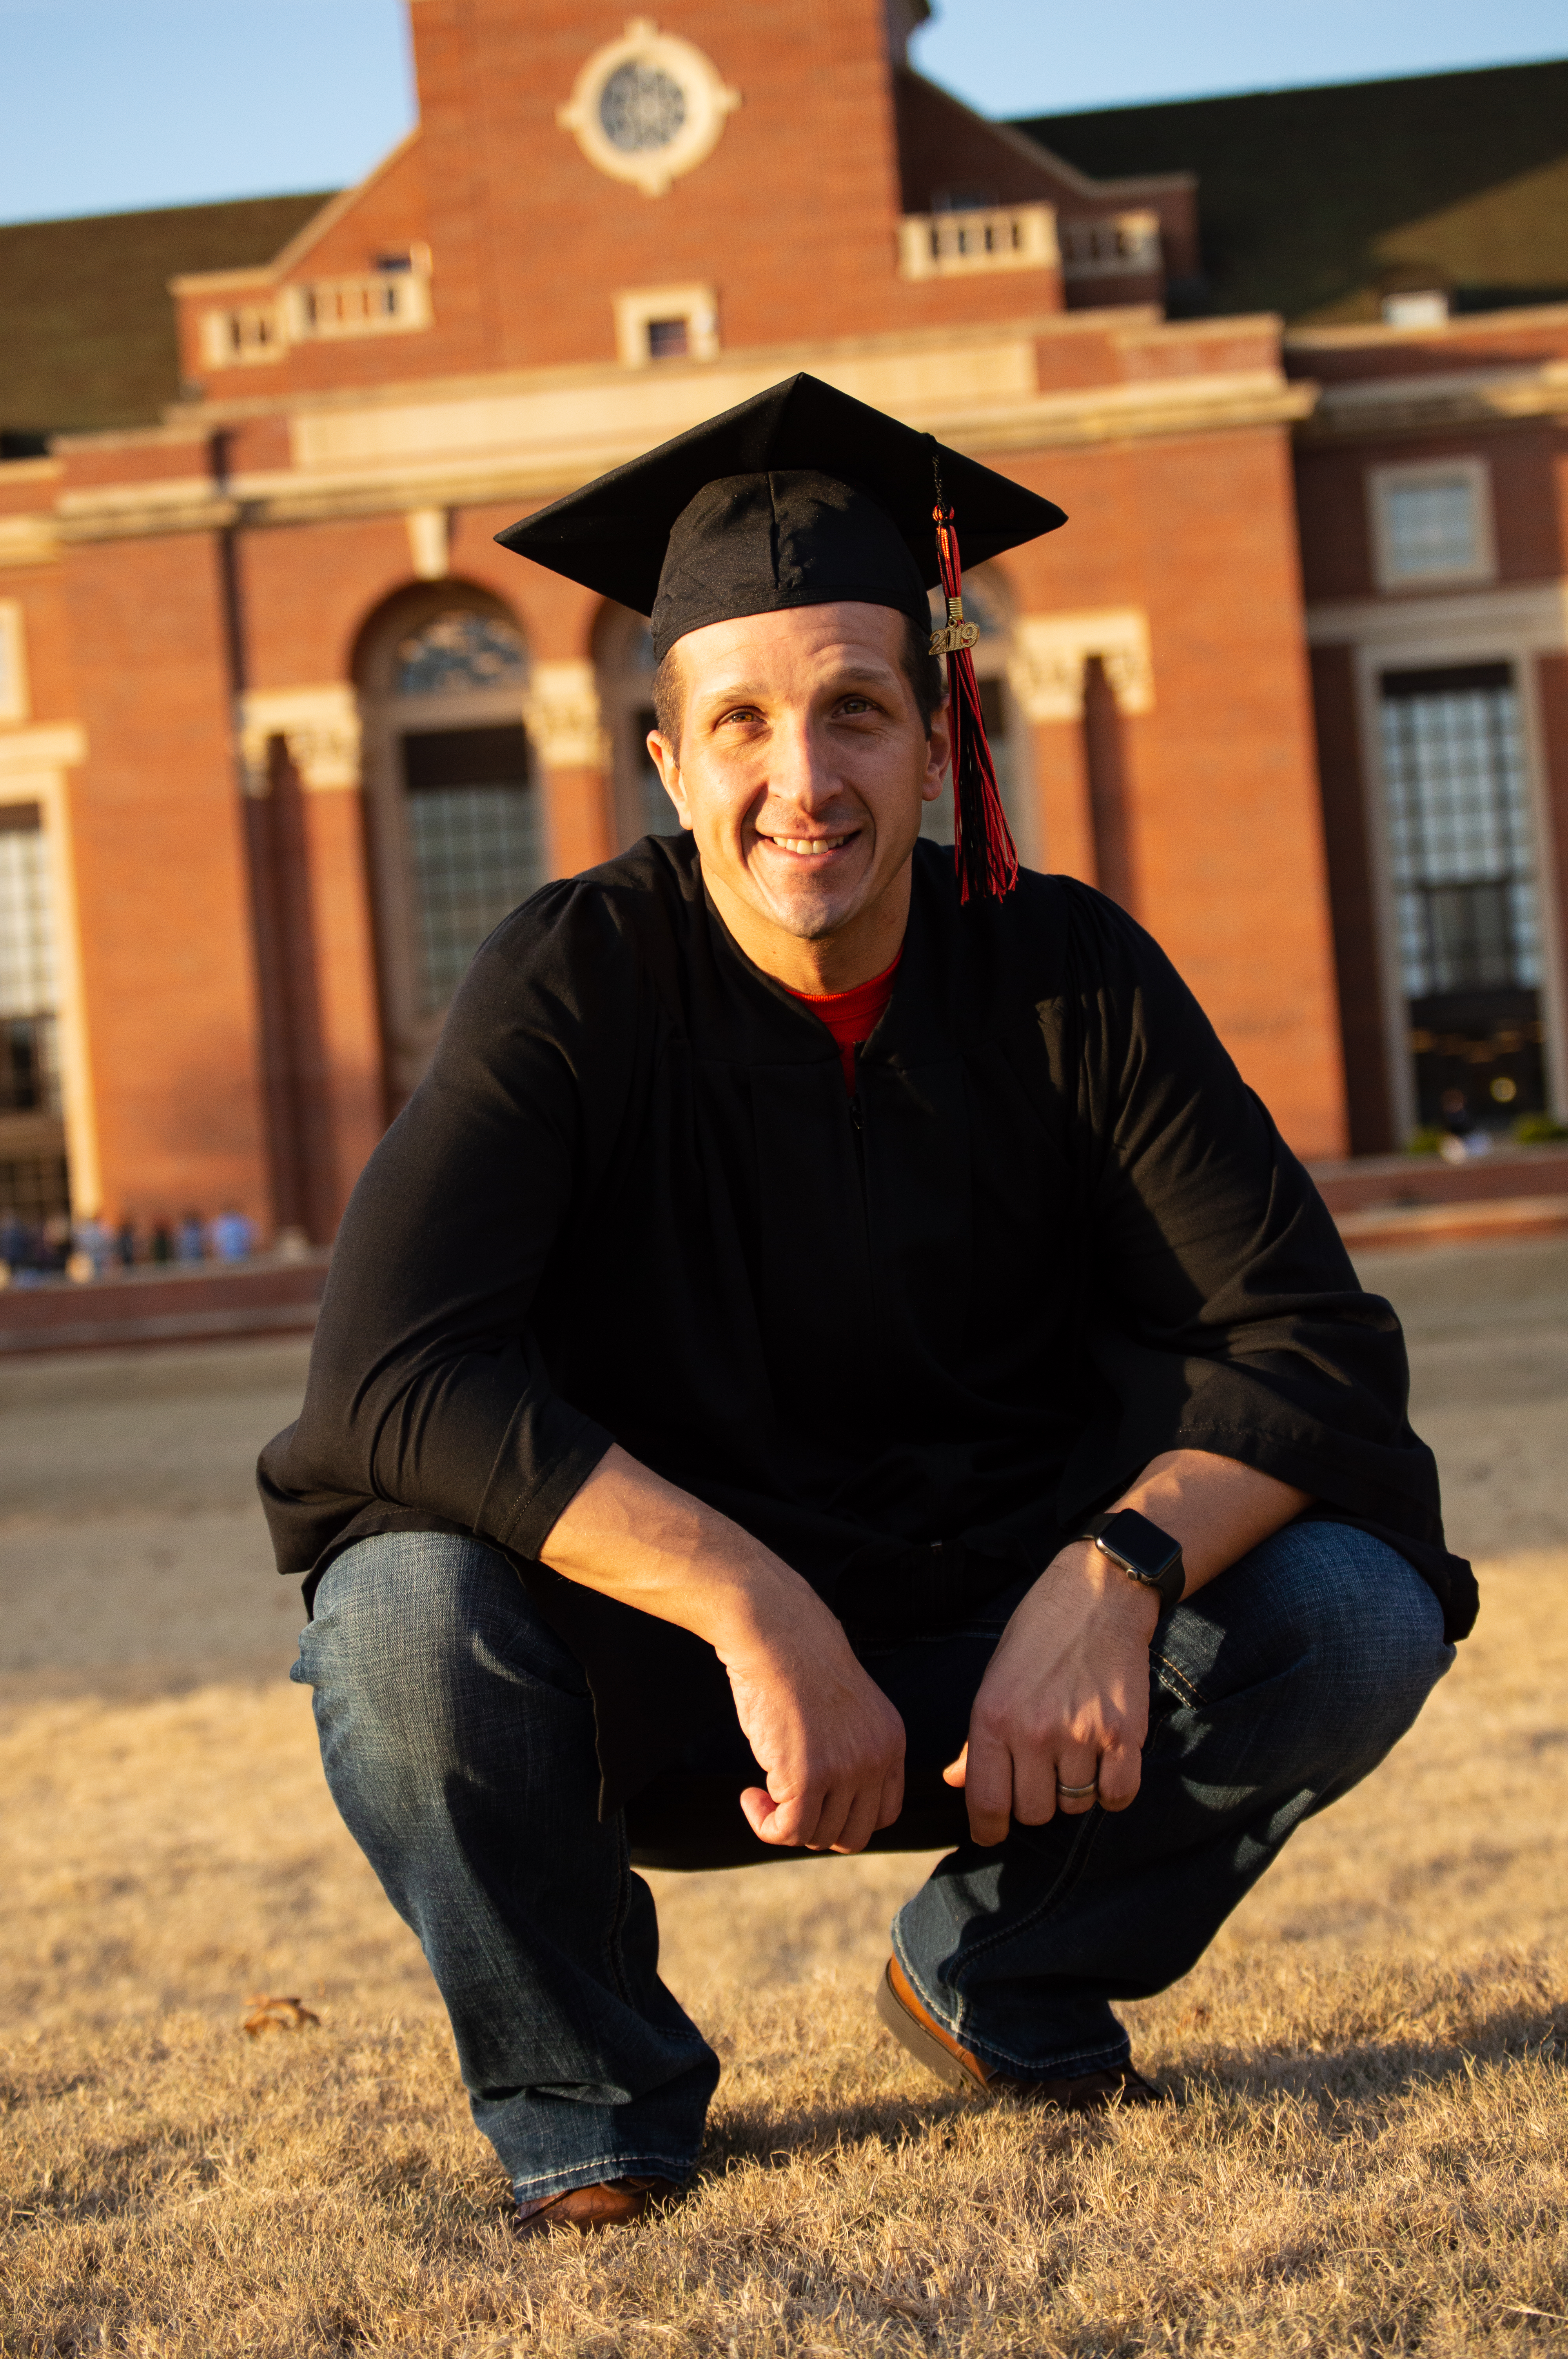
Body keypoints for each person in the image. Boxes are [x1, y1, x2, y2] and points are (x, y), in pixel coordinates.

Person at [260, 375, 1473, 2241]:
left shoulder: (1070, 973)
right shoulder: (575, 978)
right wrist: (749, 1599)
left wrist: (1115, 1571)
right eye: (739, 720)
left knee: (1352, 1606)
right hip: (677, 1676)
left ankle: (1002, 1978)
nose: (801, 779)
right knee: (397, 1621)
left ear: (937, 737)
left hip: (1015, 1653)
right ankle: (588, 2093)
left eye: (853, 711)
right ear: (664, 763)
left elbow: (1309, 1348)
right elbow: (389, 1382)